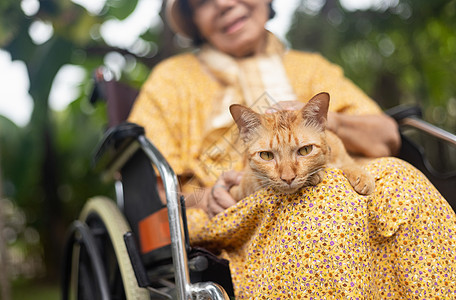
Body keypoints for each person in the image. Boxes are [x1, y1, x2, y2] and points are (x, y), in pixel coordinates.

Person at [128, 0, 456, 298]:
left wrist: (324, 121)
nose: (225, 3)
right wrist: (207, 198)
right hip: (245, 213)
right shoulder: (171, 81)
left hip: (351, 177)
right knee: (321, 213)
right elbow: (156, 199)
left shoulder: (309, 67)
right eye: (203, 1)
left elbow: (387, 136)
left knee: (403, 182)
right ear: (192, 18)